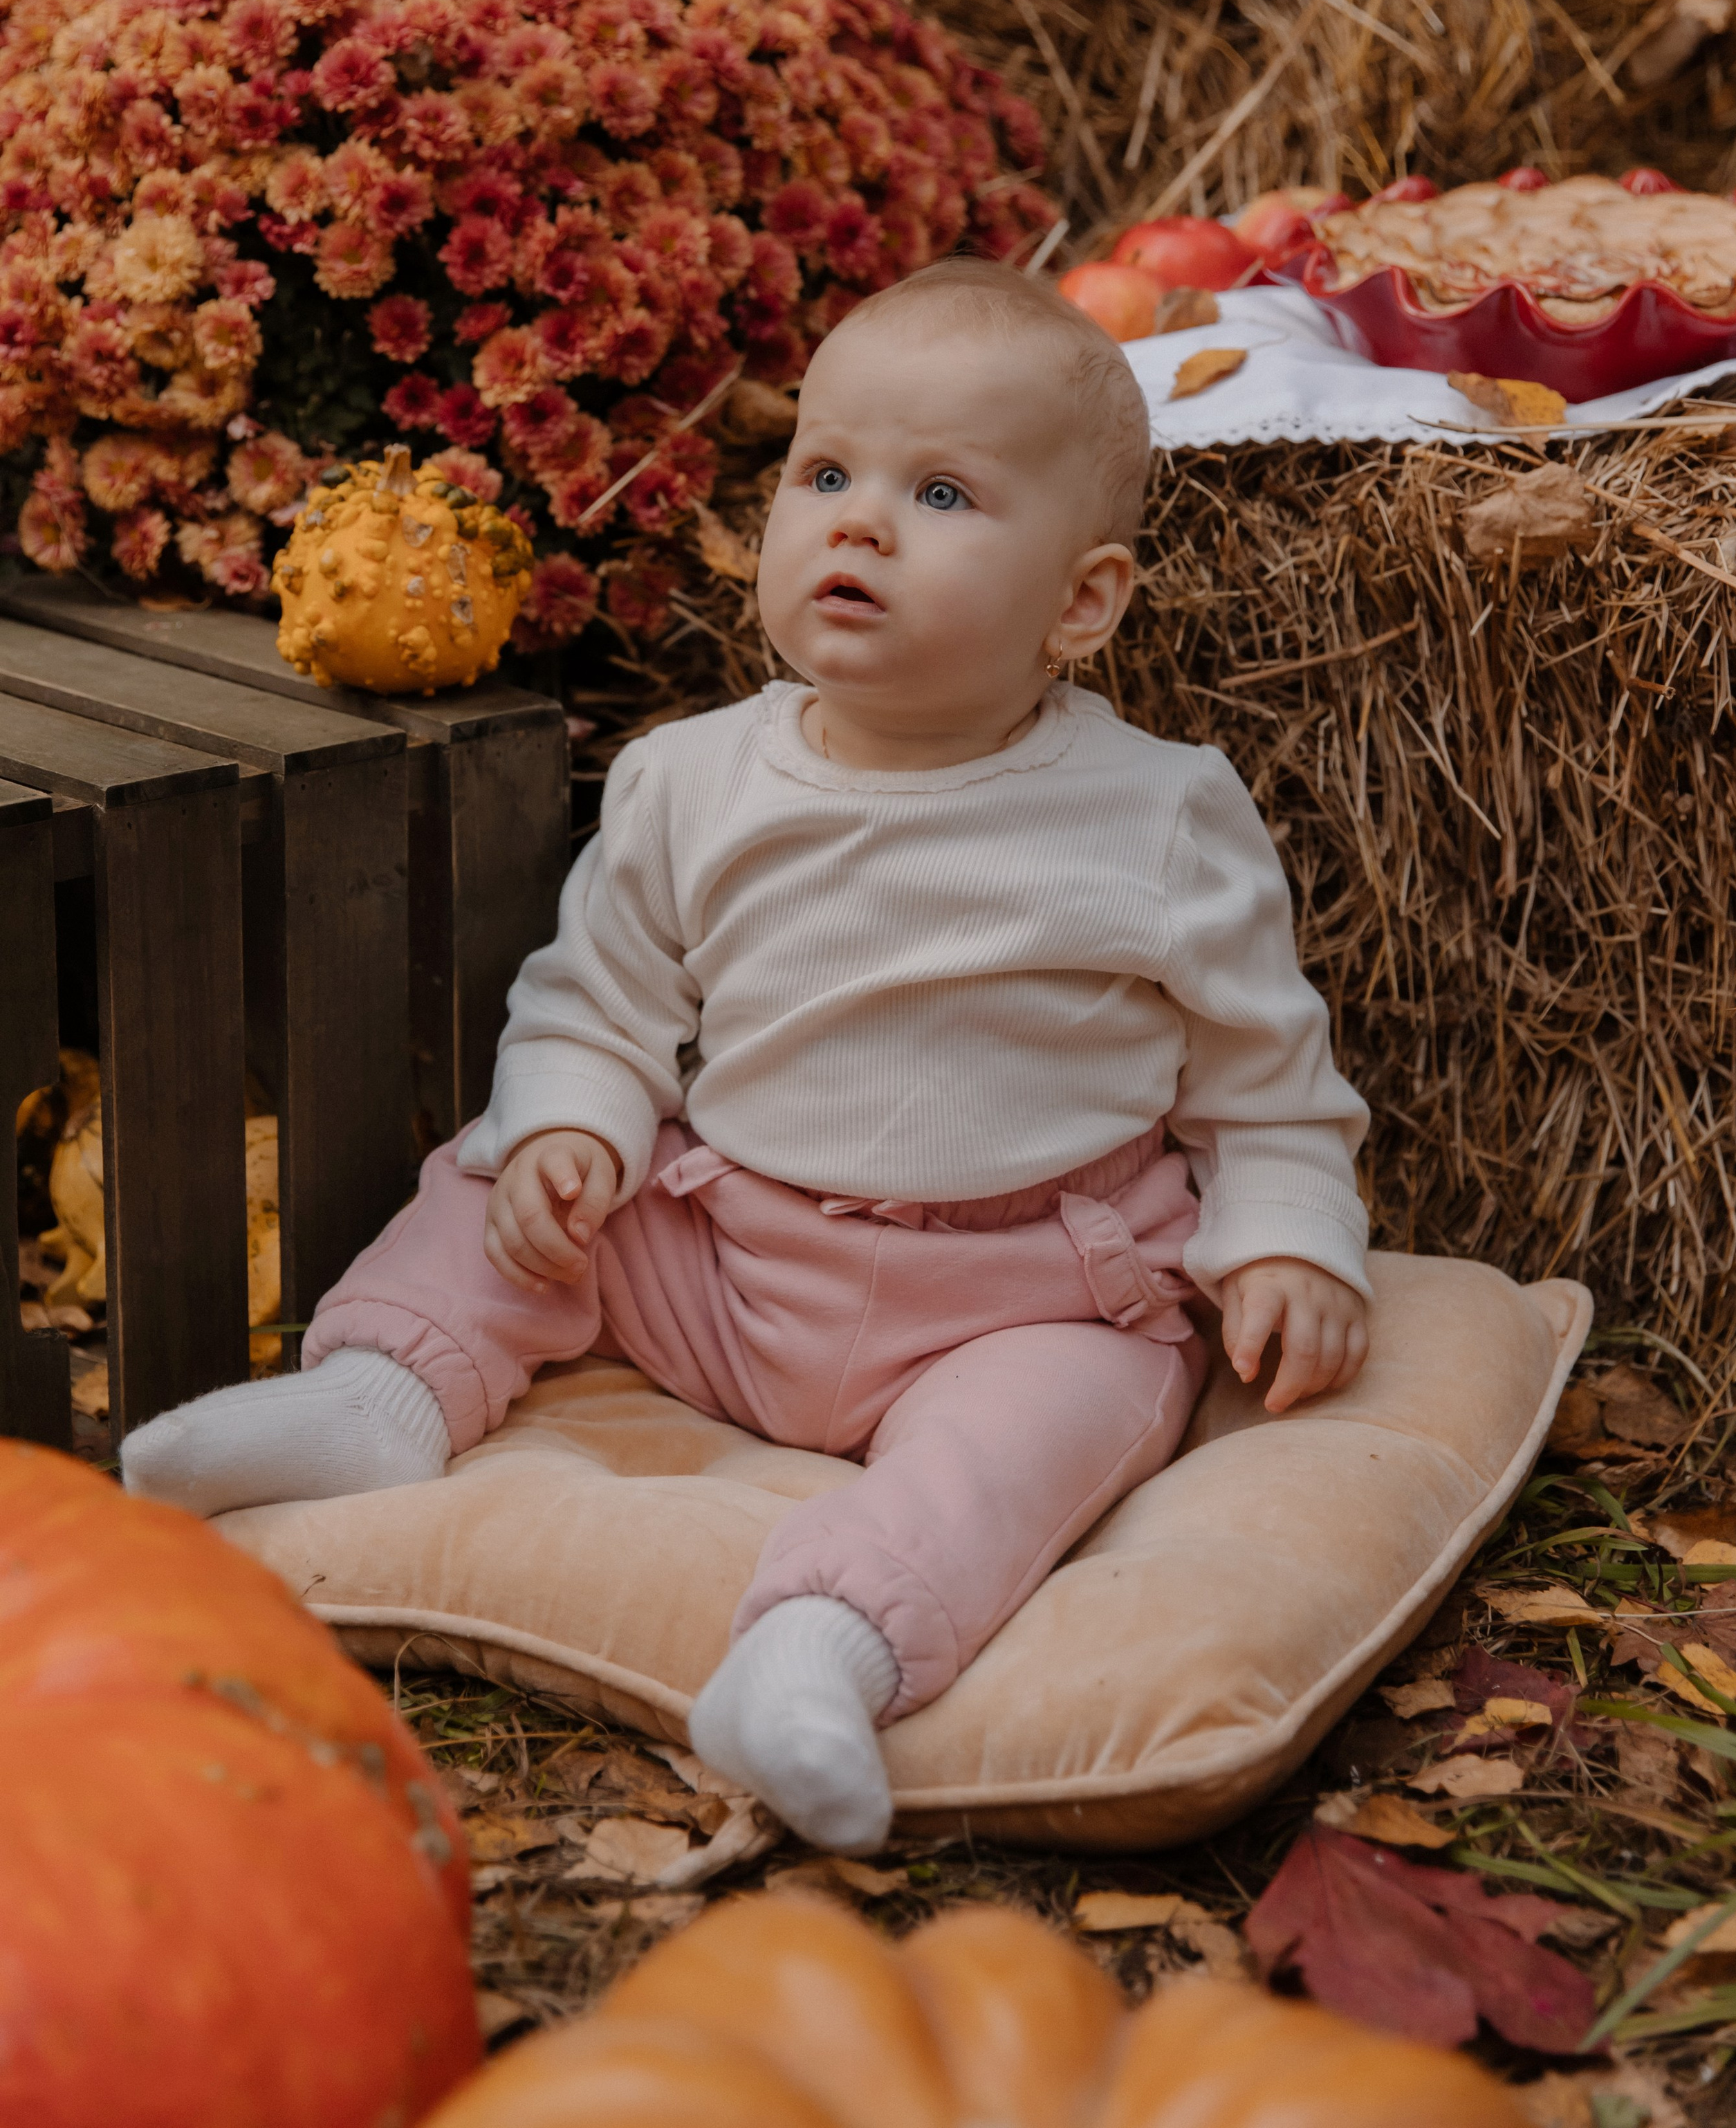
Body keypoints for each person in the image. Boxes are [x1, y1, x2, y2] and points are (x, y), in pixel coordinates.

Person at [122, 256, 1372, 1853]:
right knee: (497, 1177)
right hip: (728, 1255)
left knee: (1057, 1421)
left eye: (938, 494)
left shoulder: (1158, 814)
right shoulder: (690, 779)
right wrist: (575, 1125)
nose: (858, 525)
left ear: (1081, 602)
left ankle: (821, 1646)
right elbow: (599, 1001)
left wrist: (1288, 1238)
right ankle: (384, 1395)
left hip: (1015, 1295)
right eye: (823, 474)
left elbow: (1263, 1078)